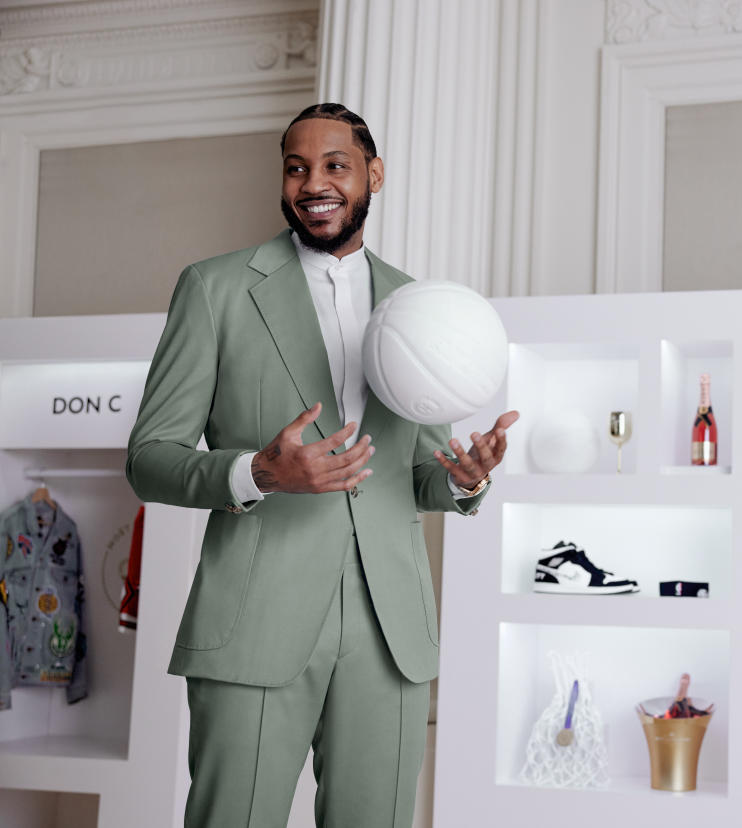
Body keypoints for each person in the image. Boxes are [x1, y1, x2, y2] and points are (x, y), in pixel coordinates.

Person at [126, 102, 519, 828]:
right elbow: (150, 460)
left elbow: (420, 473)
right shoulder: (214, 289)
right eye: (297, 166)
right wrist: (259, 474)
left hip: (389, 628)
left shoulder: (416, 303)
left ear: (373, 175)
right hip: (253, 621)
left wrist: (466, 477)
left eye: (335, 165)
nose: (314, 183)